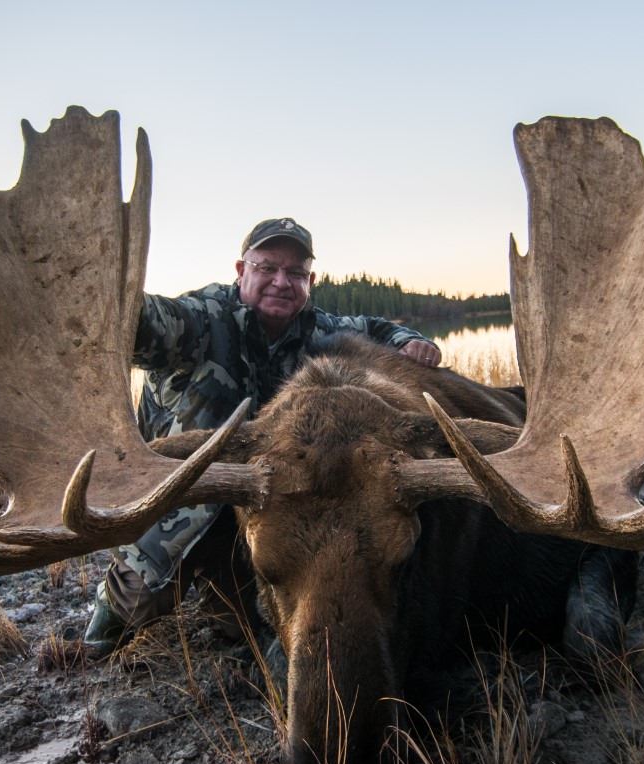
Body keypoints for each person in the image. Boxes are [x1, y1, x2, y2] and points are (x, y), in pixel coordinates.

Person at [84, 217, 442, 656]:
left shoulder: (315, 329)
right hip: (182, 508)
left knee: (254, 628)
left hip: (259, 506)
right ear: (241, 271)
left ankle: (217, 591)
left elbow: (374, 328)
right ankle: (108, 611)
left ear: (309, 281)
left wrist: (409, 340)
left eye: (295, 273)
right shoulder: (201, 319)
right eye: (267, 267)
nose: (281, 282)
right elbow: (142, 324)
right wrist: (101, 299)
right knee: (138, 604)